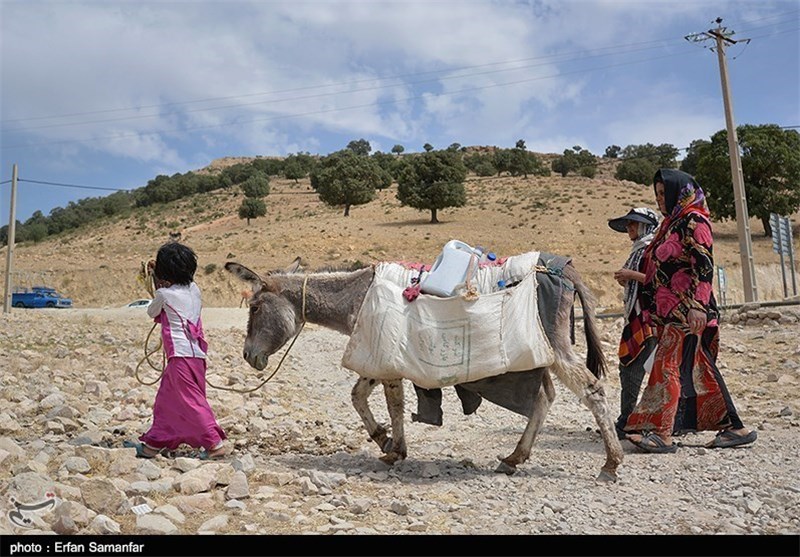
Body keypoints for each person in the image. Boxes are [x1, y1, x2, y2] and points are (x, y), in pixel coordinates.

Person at [624, 169, 757, 453]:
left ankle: (662, 433)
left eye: (664, 193)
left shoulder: (694, 221)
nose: (660, 199)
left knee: (667, 367)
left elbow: (704, 266)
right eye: (657, 193)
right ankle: (734, 427)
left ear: (678, 191)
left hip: (688, 311)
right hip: (672, 311)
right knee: (698, 369)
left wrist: (698, 305)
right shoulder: (672, 223)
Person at [125, 242, 228, 459]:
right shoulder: (194, 290)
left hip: (180, 356)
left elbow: (152, 310)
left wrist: (156, 281)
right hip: (197, 356)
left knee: (190, 401)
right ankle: (153, 446)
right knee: (168, 401)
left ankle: (215, 444)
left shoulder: (164, 294)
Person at [607, 207, 660, 440]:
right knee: (632, 368)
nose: (629, 228)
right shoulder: (639, 249)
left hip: (647, 317)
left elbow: (659, 279)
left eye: (633, 224)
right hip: (637, 316)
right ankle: (632, 419)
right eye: (628, 224)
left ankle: (629, 421)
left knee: (633, 368)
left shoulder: (652, 249)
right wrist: (627, 279)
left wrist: (630, 276)